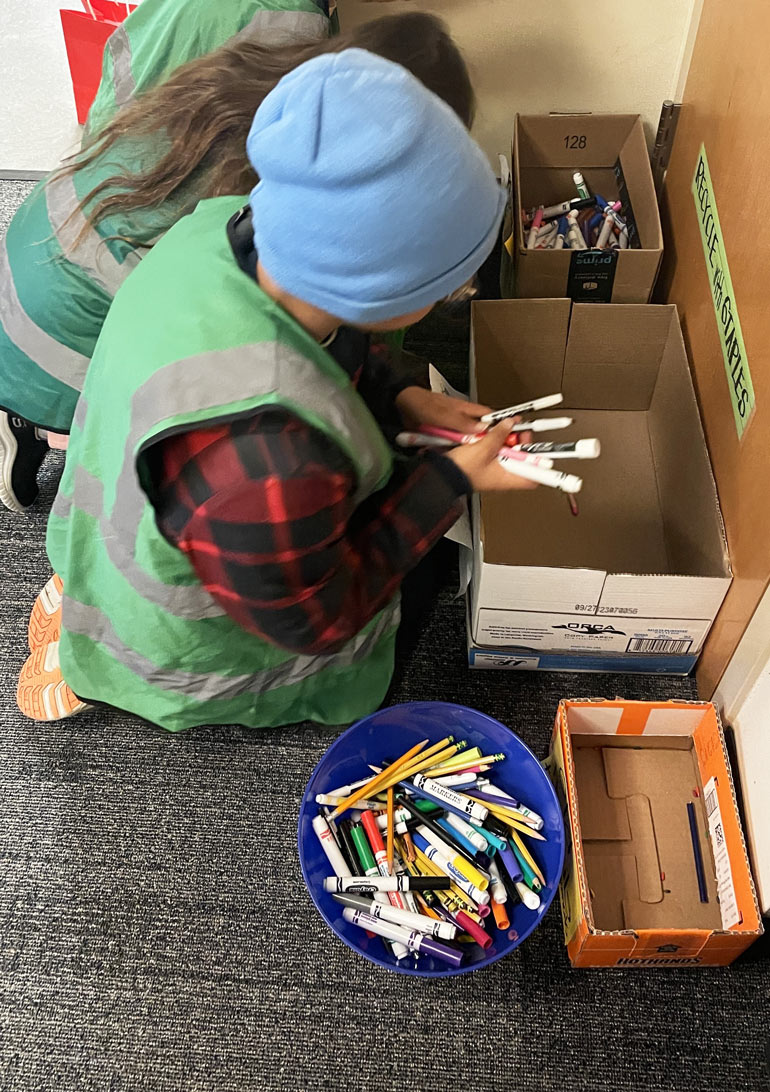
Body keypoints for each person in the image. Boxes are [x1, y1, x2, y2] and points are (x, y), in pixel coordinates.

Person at [17, 49, 532, 732]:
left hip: (130, 499)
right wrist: (446, 481)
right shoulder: (265, 459)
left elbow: (326, 340)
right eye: (448, 285)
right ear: (382, 291)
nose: (454, 295)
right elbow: (318, 617)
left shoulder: (223, 229)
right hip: (194, 628)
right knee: (403, 592)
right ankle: (102, 664)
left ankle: (86, 602)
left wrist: (400, 394)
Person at [0, 13, 472, 512]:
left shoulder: (270, 116)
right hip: (61, 331)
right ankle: (39, 420)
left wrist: (397, 393)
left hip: (50, 235)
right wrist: (440, 480)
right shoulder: (261, 421)